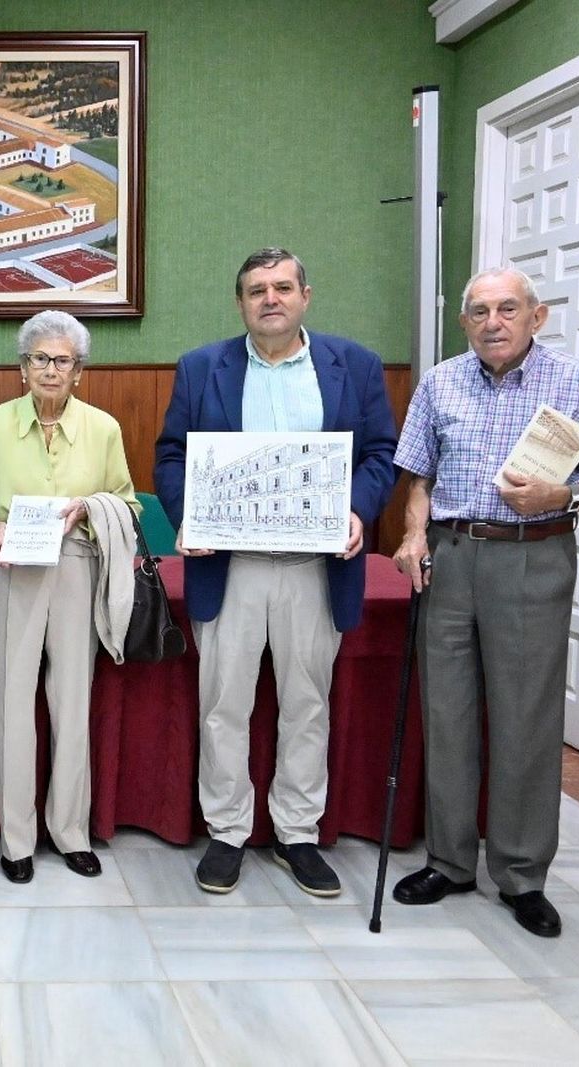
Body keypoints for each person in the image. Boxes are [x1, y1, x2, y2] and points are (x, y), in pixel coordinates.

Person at [390, 267, 579, 938]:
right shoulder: (441, 381)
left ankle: (522, 873)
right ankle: (448, 860)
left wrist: (565, 496)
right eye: (479, 311)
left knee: (525, 715)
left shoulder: (577, 382)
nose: (493, 321)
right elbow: (418, 476)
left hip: (534, 554)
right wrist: (414, 533)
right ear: (465, 321)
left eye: (508, 308)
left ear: (538, 316)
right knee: (446, 711)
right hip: (450, 555)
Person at [154, 247, 396, 898]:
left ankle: (297, 832)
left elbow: (380, 454)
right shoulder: (203, 367)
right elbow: (172, 455)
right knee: (223, 706)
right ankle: (227, 832)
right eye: (257, 289)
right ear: (240, 303)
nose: (270, 298)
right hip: (230, 569)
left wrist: (358, 509)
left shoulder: (356, 366)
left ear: (305, 296)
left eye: (283, 287)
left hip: (314, 568)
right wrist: (188, 514)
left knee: (306, 705)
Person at [0, 310, 138, 883]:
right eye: (40, 359)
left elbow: (129, 505)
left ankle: (70, 831)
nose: (51, 369)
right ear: (22, 367)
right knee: (10, 701)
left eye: (63, 360)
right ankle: (16, 840)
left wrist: (90, 508)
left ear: (79, 371)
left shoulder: (104, 428)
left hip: (78, 567)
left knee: (71, 702)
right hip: (11, 568)